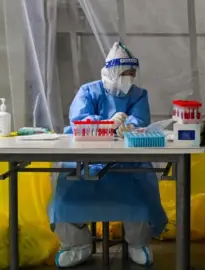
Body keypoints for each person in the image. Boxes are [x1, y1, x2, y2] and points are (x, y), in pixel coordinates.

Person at [48, 42, 167, 267]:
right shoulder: (88, 91)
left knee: (140, 186)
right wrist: (106, 124)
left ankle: (137, 242)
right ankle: (77, 244)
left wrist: (129, 126)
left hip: (126, 164)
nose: (129, 78)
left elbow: (140, 120)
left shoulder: (138, 95)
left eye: (132, 74)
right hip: (86, 161)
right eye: (125, 73)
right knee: (67, 188)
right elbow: (78, 120)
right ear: (113, 71)